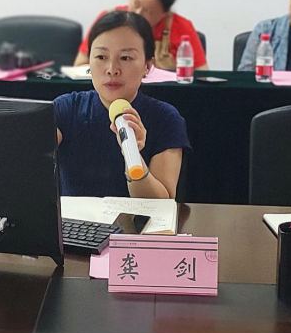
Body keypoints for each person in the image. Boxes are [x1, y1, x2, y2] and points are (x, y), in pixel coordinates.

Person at [55, 11, 191, 200]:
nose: (112, 70)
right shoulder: (67, 108)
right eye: (101, 57)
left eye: (125, 58)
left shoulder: (166, 118)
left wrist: (133, 156)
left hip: (138, 219)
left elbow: (161, 203)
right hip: (76, 220)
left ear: (147, 66)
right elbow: (31, 158)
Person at [74, 0, 208, 71]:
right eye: (136, 3)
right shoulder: (108, 19)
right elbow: (79, 65)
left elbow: (202, 73)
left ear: (165, 13)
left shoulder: (182, 28)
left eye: (148, 11)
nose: (138, 13)